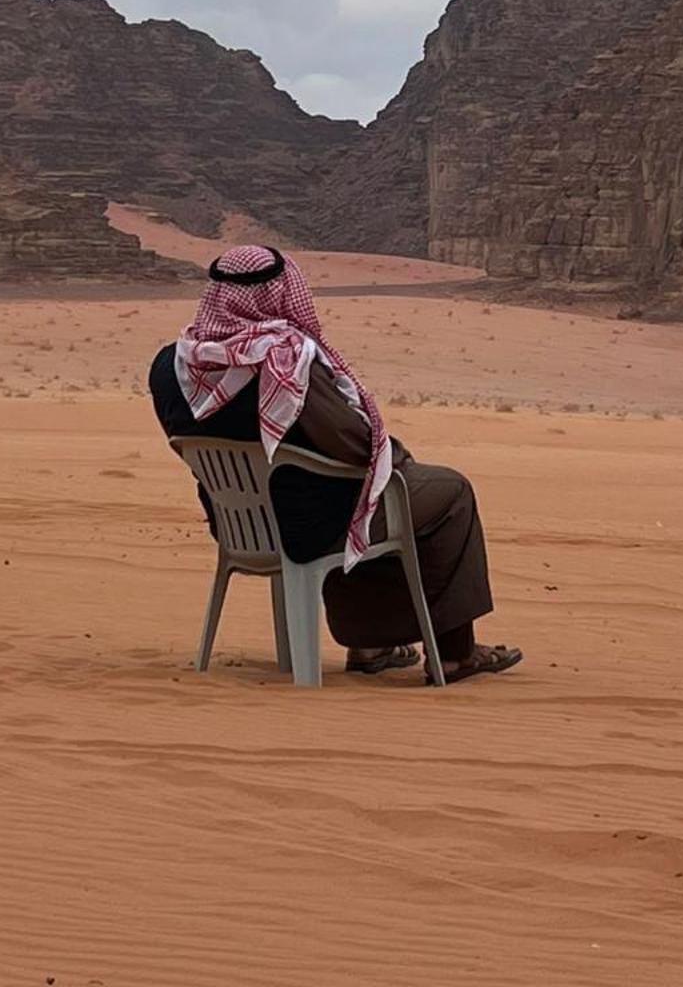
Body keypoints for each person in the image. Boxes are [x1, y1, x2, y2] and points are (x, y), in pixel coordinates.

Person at [149, 242, 522, 685]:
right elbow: (353, 444)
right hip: (309, 523)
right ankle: (456, 653)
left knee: (363, 491)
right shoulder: (284, 362)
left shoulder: (172, 365)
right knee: (444, 492)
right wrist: (394, 456)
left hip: (241, 525)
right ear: (280, 294)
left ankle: (372, 644)